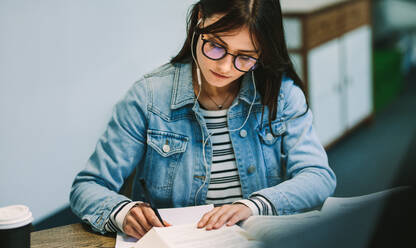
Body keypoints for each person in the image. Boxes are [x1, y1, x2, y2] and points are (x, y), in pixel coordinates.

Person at [70, 0, 336, 240]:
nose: (224, 67)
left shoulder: (281, 94)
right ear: (199, 18)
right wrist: (122, 212)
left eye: (245, 57)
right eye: (217, 46)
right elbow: (88, 187)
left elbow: (318, 176)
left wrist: (252, 205)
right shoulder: (148, 98)